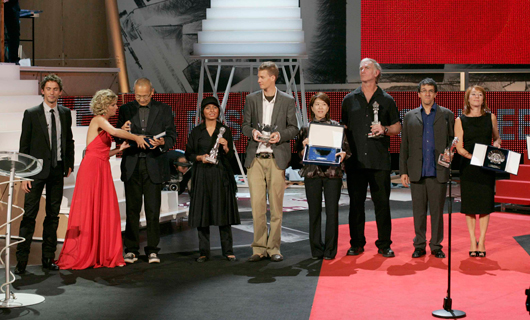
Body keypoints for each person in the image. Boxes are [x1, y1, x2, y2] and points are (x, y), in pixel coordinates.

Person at [56, 90, 148, 269]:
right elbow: (114, 132)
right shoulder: (98, 119)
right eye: (113, 104)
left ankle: (102, 252)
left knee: (102, 208)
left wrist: (119, 149)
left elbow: (103, 151)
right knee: (90, 208)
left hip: (101, 167)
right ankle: (86, 252)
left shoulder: (103, 123)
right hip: (91, 169)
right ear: (105, 105)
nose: (116, 107)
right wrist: (136, 137)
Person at [341, 58, 401, 258]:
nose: (362, 70)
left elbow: (397, 127)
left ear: (376, 73)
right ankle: (356, 243)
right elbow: (343, 129)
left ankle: (384, 244)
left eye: (367, 67)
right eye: (360, 68)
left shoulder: (387, 100)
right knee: (356, 205)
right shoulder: (349, 100)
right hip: (355, 162)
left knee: (382, 204)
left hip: (379, 161)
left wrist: (384, 129)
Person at [15, 74, 75, 274]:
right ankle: (21, 261)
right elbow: (24, 147)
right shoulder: (31, 114)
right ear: (42, 90)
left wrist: (69, 163)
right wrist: (24, 175)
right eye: (48, 88)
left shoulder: (65, 113)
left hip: (57, 170)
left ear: (59, 91)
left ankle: (48, 258)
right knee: (29, 216)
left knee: (52, 215)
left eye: (55, 89)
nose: (51, 92)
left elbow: (69, 140)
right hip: (35, 172)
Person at [241, 61, 298, 262]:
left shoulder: (287, 101)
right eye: (258, 77)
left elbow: (294, 128)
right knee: (257, 207)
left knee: (276, 207)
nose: (258, 80)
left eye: (262, 77)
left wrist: (279, 135)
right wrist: (253, 132)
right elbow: (244, 126)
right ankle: (258, 248)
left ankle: (274, 248)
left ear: (273, 78)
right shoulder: (251, 99)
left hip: (276, 158)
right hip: (255, 159)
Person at [116, 78, 177, 264]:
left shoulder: (164, 109)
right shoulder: (125, 109)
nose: (141, 99)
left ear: (152, 92)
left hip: (154, 164)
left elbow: (172, 135)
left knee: (152, 210)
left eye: (144, 96)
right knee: (132, 210)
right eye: (137, 95)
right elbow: (118, 136)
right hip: (132, 164)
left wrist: (162, 143)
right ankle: (131, 250)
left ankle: (152, 250)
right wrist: (122, 130)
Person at [400, 78, 454, 259]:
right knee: (419, 212)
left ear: (436, 94)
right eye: (424, 90)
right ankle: (420, 244)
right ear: (419, 94)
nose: (427, 94)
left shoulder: (447, 115)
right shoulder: (409, 116)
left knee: (437, 212)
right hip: (417, 171)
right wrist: (403, 171)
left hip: (438, 170)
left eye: (431, 90)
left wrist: (451, 154)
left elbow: (453, 142)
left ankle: (436, 245)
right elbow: (404, 146)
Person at [185, 97, 240, 262]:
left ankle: (228, 251)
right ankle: (203, 252)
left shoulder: (225, 130)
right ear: (203, 111)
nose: (211, 111)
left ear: (218, 111)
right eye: (208, 108)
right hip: (201, 175)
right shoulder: (196, 131)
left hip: (220, 175)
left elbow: (230, 156)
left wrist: (226, 147)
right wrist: (200, 158)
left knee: (223, 213)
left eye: (214, 108)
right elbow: (188, 154)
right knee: (203, 213)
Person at [296, 92, 349, 260]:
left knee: (332, 212)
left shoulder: (337, 127)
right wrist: (303, 150)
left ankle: (330, 250)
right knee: (314, 212)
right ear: (312, 108)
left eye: (324, 104)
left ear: (328, 108)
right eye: (317, 104)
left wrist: (343, 154)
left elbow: (347, 150)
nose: (320, 107)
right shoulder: (305, 129)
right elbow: (298, 154)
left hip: (333, 174)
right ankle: (316, 249)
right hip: (312, 174)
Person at [455, 85, 501, 258]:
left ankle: (481, 241)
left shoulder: (491, 117)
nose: (476, 97)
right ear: (467, 98)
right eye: (473, 94)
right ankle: (471, 239)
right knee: (470, 206)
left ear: (483, 99)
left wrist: (497, 144)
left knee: (484, 206)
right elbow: (459, 147)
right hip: (468, 166)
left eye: (479, 95)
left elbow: (497, 138)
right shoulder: (460, 120)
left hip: (486, 167)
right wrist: (473, 157)